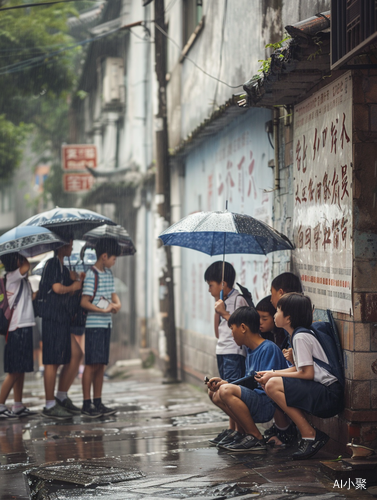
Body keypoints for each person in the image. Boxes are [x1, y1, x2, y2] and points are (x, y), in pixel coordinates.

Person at [257, 293, 344, 460]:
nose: (275, 315)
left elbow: (307, 373)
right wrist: (271, 373)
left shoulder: (300, 337)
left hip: (329, 395)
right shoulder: (299, 334)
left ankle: (310, 434)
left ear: (288, 318)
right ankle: (308, 433)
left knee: (272, 385)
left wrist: (273, 377)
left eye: (278, 311)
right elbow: (300, 368)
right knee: (270, 382)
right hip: (325, 392)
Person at [206, 306, 287, 451]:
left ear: (243, 327)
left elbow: (265, 384)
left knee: (225, 391)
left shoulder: (268, 348)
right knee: (214, 393)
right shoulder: (250, 351)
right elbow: (248, 381)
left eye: (232, 329)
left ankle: (256, 437)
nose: (231, 334)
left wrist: (229, 386)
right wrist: (226, 383)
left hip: (267, 404)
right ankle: (242, 433)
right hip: (256, 401)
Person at [204, 261, 249, 445]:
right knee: (222, 391)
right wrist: (218, 311)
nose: (209, 289)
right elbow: (217, 332)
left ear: (223, 283)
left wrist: (224, 312)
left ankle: (240, 430)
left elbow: (243, 327)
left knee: (231, 390)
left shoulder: (238, 300)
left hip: (234, 352)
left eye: (211, 285)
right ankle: (232, 429)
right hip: (222, 350)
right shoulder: (220, 302)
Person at [39, 241, 84, 419]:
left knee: (76, 354)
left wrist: (77, 281)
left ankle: (61, 395)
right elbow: (57, 288)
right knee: (52, 362)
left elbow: (68, 292)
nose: (72, 248)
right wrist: (72, 286)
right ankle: (49, 404)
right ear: (61, 246)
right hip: (53, 320)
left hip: (62, 320)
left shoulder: (63, 267)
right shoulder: (52, 264)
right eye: (70, 244)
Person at [80, 238, 121, 418]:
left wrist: (117, 304)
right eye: (113, 258)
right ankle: (86, 403)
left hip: (106, 325)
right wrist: (103, 309)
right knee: (91, 364)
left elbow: (113, 294)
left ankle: (98, 401)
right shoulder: (91, 274)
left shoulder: (109, 274)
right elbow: (84, 302)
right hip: (94, 326)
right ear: (104, 256)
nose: (114, 261)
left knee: (101, 365)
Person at [0, 253, 37, 418]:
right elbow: (26, 266)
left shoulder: (20, 279)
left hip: (24, 326)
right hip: (17, 328)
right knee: (15, 370)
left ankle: (18, 404)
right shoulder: (12, 276)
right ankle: (0, 404)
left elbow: (28, 299)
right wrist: (24, 254)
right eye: (19, 258)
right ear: (15, 261)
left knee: (20, 369)